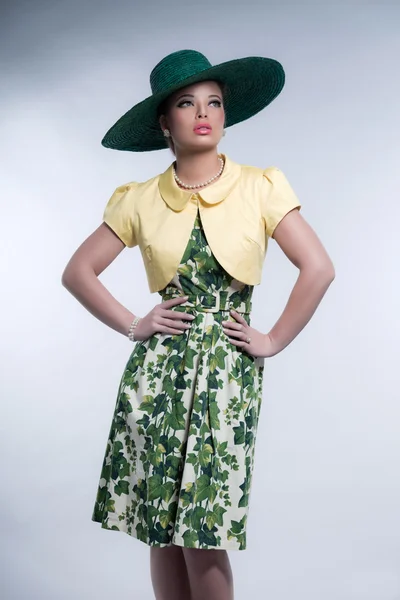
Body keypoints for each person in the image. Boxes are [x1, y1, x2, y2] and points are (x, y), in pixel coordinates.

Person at [61, 49, 335, 600]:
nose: (203, 112)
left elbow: (319, 268)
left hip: (226, 378)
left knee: (204, 532)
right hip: (157, 375)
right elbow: (78, 272)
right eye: (187, 103)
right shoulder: (138, 199)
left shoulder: (262, 185)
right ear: (166, 122)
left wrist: (273, 339)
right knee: (159, 529)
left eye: (213, 102)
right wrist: (135, 324)